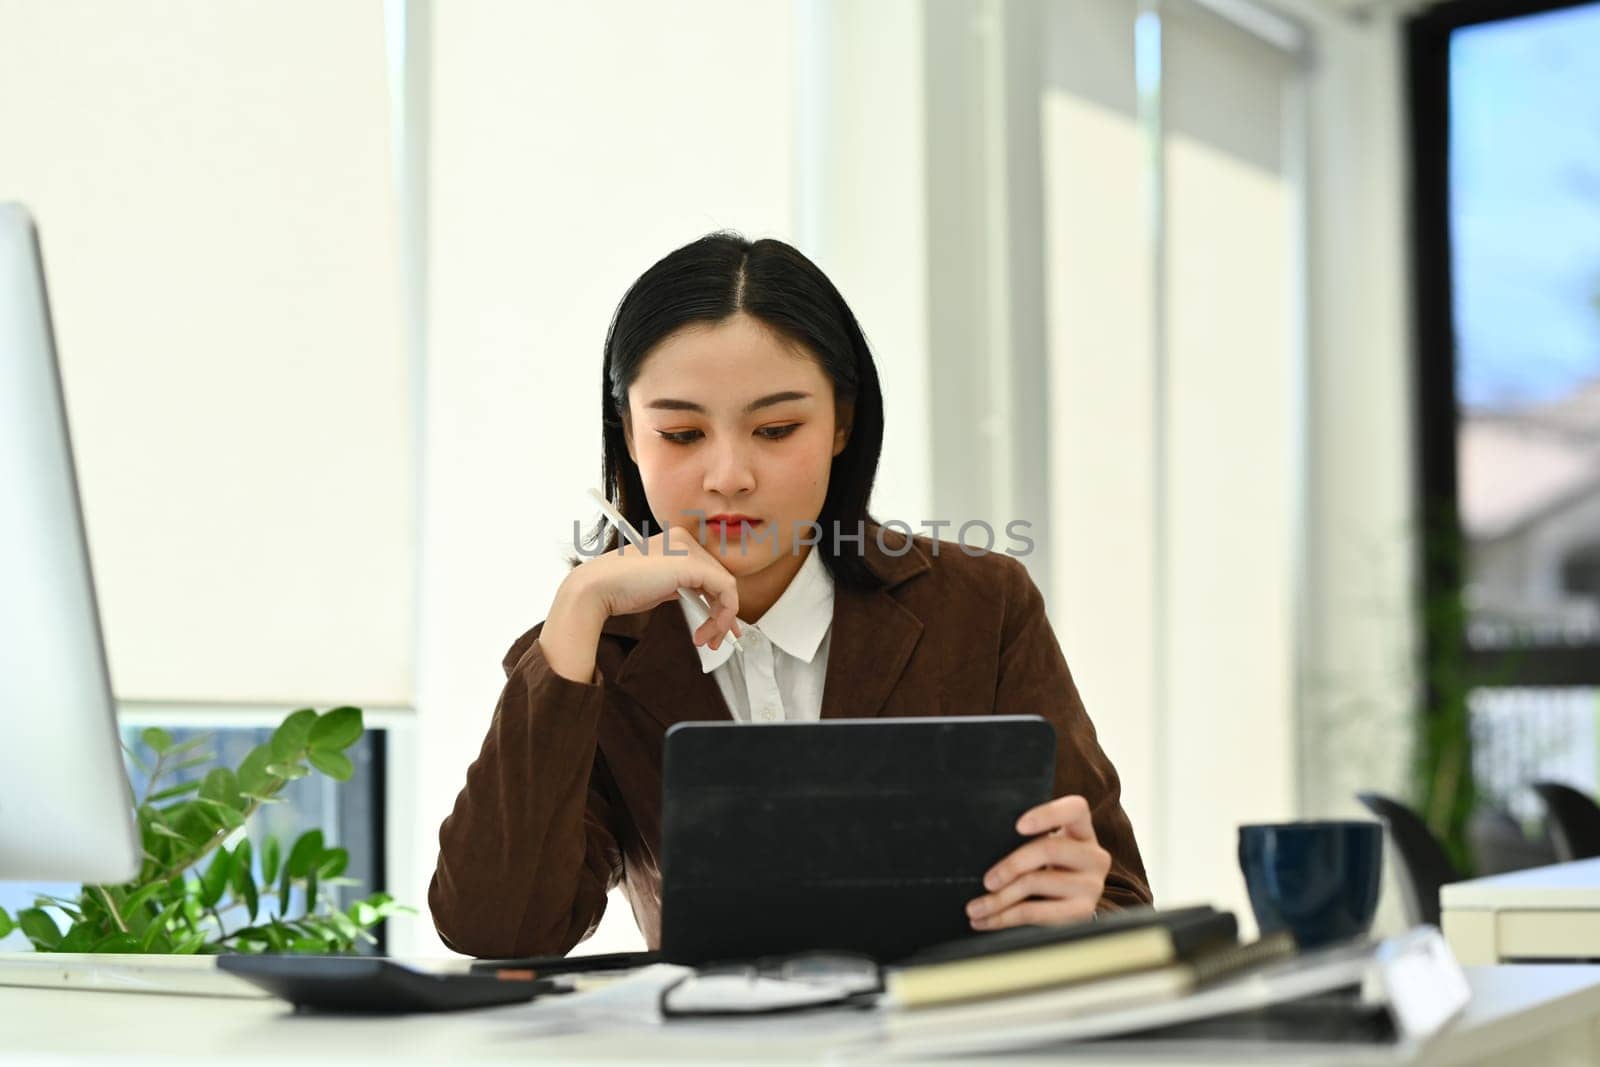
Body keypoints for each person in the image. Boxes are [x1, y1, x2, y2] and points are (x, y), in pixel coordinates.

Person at [429, 233, 1151, 958]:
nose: (730, 475)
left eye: (776, 429)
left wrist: (1074, 911)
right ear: (630, 435)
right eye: (681, 433)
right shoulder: (589, 654)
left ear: (842, 422)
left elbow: (1120, 905)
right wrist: (578, 604)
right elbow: (498, 929)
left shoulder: (981, 607)